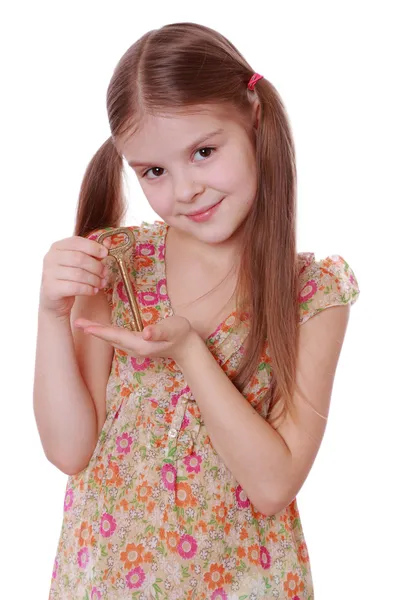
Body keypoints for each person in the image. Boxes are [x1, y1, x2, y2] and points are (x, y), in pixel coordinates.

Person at [34, 21, 360, 600]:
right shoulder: (119, 266)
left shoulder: (312, 293)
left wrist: (188, 350)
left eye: (204, 152)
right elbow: (70, 450)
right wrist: (51, 317)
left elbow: (272, 484)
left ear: (253, 118)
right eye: (155, 172)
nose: (184, 189)